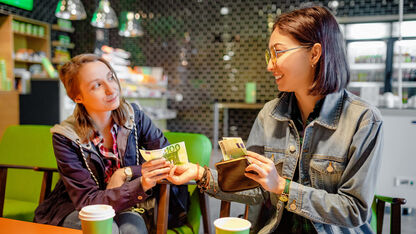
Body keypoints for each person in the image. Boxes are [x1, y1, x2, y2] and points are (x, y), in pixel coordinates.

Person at [168, 6, 383, 234]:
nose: (270, 66)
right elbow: (254, 185)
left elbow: (354, 210)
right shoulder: (270, 113)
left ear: (314, 54)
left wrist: (282, 186)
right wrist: (200, 174)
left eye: (278, 53)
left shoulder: (363, 119)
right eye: (269, 55)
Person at [34, 54, 189, 233]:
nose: (111, 89)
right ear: (78, 97)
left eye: (110, 77)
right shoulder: (65, 137)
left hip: (129, 203)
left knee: (133, 230)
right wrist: (140, 180)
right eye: (97, 85)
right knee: (108, 229)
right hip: (78, 208)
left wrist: (126, 172)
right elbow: (88, 200)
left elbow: (170, 158)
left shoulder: (135, 117)